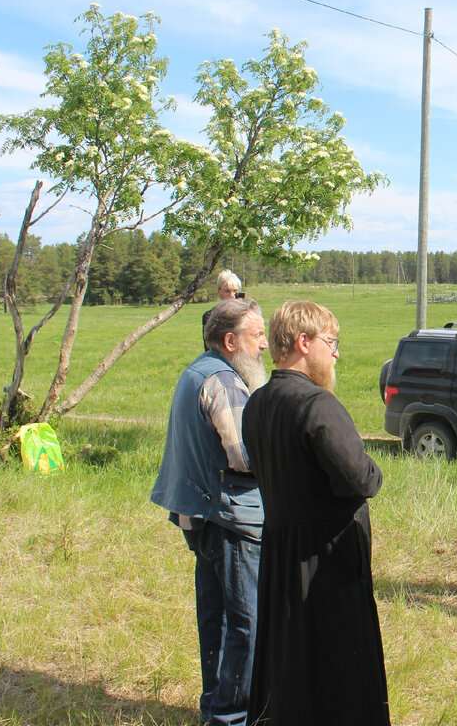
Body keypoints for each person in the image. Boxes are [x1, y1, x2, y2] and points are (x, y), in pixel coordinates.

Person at [242, 301, 389, 725]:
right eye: (331, 342)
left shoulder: (258, 404)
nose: (337, 353)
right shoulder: (316, 404)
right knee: (336, 664)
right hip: (327, 558)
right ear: (304, 344)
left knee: (291, 659)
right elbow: (362, 479)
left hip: (280, 553)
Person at [151, 297, 268, 726]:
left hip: (203, 517)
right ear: (231, 339)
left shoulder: (196, 370)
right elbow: (245, 457)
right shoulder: (222, 380)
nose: (264, 346)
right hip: (230, 520)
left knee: (216, 619)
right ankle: (231, 717)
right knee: (246, 624)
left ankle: (215, 708)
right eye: (257, 336)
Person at [204, 270, 244, 348]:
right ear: (218, 291)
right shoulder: (210, 316)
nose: (232, 295)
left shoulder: (247, 314)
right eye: (227, 291)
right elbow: (210, 348)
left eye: (235, 291)